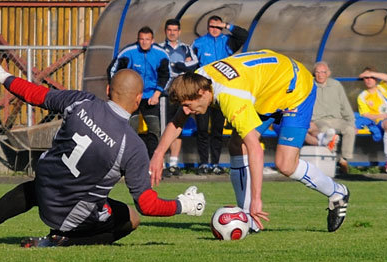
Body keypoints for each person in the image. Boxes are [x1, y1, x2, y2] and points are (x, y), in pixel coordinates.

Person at [0, 64, 205, 248]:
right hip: (69, 216)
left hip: (45, 189)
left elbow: (35, 95)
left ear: (107, 90)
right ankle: (64, 241)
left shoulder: (81, 102)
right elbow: (146, 205)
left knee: (39, 185)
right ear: (138, 100)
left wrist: (0, 75)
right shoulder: (132, 145)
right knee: (131, 218)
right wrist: (184, 205)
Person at [150, 50, 350, 233]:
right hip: (267, 89)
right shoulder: (198, 79)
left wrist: (257, 200)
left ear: (202, 93)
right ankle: (247, 218)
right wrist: (158, 155)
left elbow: (256, 149)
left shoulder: (230, 97)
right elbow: (177, 121)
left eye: (187, 105)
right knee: (237, 144)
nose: (186, 111)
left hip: (295, 89)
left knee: (285, 164)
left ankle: (338, 193)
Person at [191, 16, 249, 175]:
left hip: (221, 92)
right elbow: (191, 65)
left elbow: (244, 35)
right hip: (202, 92)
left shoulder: (227, 41)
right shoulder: (199, 43)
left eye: (217, 26)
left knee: (217, 129)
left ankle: (215, 163)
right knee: (202, 129)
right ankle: (203, 163)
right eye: (211, 26)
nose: (214, 29)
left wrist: (226, 25)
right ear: (207, 27)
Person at [108, 26, 170, 157]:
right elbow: (113, 71)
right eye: (141, 39)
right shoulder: (128, 52)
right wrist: (118, 93)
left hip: (151, 97)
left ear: (152, 40)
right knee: (130, 129)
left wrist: (157, 94)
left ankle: (152, 161)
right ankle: (128, 159)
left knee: (154, 129)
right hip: (130, 96)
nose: (144, 42)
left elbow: (166, 75)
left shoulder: (161, 54)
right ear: (138, 40)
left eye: (147, 39)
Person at [160, 18, 198, 177]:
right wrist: (181, 65)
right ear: (165, 31)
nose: (172, 33)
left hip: (182, 94)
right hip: (166, 93)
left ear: (179, 32)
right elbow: (163, 67)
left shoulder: (186, 48)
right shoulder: (160, 48)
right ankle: (161, 163)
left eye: (175, 30)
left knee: (178, 126)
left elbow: (194, 64)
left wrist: (181, 65)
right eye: (169, 30)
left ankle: (174, 164)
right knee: (164, 127)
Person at [304, 61, 357, 174]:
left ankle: (344, 160)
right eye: (317, 72)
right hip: (318, 120)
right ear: (314, 74)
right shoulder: (309, 85)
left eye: (323, 72)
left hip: (337, 119)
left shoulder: (336, 85)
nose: (320, 75)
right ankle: (331, 159)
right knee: (327, 131)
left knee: (350, 129)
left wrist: (351, 122)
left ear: (328, 73)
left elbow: (345, 105)